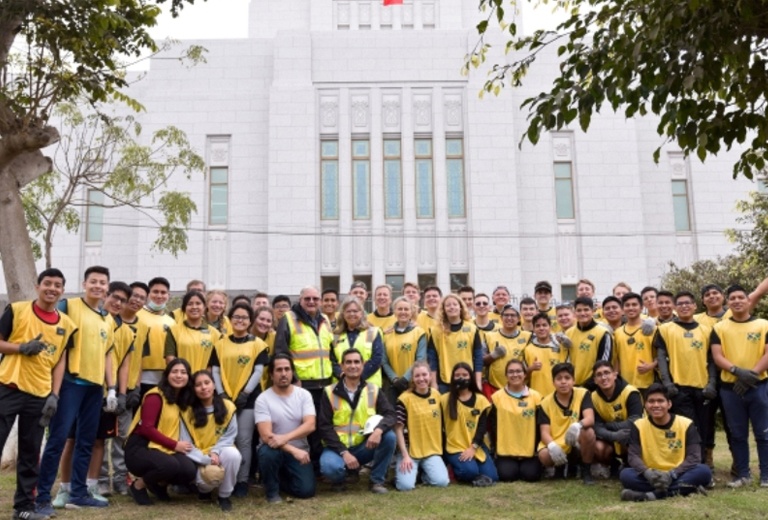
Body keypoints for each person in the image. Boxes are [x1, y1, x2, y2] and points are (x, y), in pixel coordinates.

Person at [36, 266, 116, 514]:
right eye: (93, 281)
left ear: (107, 288)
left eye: (103, 283)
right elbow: (53, 338)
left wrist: (111, 388)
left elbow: (108, 354)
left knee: (86, 442)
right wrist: (53, 389)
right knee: (58, 440)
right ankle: (41, 498)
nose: (98, 286)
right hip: (71, 383)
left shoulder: (108, 318)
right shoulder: (68, 307)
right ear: (84, 284)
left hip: (95, 388)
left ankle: (79, 493)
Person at [0, 268, 77, 520]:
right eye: (47, 283)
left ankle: (24, 507)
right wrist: (21, 348)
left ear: (62, 290)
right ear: (37, 286)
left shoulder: (67, 325)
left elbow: (60, 362)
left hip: (40, 395)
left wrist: (54, 395)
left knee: (31, 452)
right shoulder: (17, 310)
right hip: (8, 387)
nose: (52, 288)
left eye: (57, 285)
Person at [56, 282, 133, 506]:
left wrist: (119, 392)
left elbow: (122, 364)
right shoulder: (82, 315)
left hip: (104, 392)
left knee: (98, 440)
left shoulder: (125, 330)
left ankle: (91, 486)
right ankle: (65, 488)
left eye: (122, 300)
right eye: (114, 297)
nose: (117, 303)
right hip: (78, 386)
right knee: (71, 439)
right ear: (104, 296)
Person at [710, 284, 768, 488]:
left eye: (740, 297)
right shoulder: (719, 328)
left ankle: (766, 475)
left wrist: (751, 375)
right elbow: (717, 356)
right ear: (727, 303)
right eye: (732, 298)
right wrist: (737, 372)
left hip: (759, 386)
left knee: (764, 432)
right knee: (737, 433)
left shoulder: (763, 324)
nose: (736, 301)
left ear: (747, 300)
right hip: (731, 389)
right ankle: (743, 474)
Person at [318, 348, 397, 494]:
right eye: (348, 362)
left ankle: (376, 481)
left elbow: (391, 414)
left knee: (389, 437)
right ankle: (342, 477)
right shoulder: (329, 392)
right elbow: (324, 427)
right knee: (330, 468)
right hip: (337, 449)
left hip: (363, 447)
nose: (352, 366)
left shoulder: (374, 390)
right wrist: (344, 452)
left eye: (356, 362)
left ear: (363, 365)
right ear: (342, 366)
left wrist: (378, 431)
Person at [211, 303, 269, 497]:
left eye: (244, 317)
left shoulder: (258, 344)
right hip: (224, 398)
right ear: (230, 319)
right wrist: (221, 394)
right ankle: (224, 478)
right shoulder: (220, 344)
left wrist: (245, 393)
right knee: (225, 440)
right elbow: (216, 371)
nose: (240, 320)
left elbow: (258, 371)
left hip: (249, 399)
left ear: (250, 321)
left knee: (244, 440)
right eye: (236, 316)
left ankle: (242, 481)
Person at [99, 281, 150, 496]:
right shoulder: (101, 322)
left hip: (125, 391)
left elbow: (134, 363)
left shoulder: (135, 331)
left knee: (122, 439)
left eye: (141, 297)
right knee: (100, 438)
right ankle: (100, 480)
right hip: (98, 390)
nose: (137, 300)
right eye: (133, 296)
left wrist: (130, 391)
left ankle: (120, 479)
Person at [619, 383, 711, 501]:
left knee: (704, 471)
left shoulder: (686, 424)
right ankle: (688, 488)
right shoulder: (638, 425)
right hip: (651, 474)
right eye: (651, 401)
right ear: (645, 405)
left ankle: (651, 495)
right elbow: (633, 456)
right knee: (626, 475)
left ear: (669, 404)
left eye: (660, 401)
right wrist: (648, 474)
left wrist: (671, 475)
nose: (656, 405)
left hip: (678, 472)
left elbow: (694, 457)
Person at [655, 291, 717, 465]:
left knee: (704, 429)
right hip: (678, 389)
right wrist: (667, 384)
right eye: (680, 303)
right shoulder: (665, 329)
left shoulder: (706, 330)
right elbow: (661, 358)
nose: (684, 306)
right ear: (675, 307)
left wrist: (712, 384)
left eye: (687, 303)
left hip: (703, 389)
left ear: (695, 306)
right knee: (688, 429)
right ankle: (691, 464)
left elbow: (712, 359)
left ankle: (703, 466)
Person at [274, 286, 334, 464]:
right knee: (303, 428)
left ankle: (317, 465)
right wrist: (293, 379)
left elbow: (330, 351)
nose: (311, 302)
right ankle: (303, 465)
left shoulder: (325, 321)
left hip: (324, 384)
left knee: (321, 427)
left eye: (315, 298)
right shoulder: (289, 319)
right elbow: (280, 352)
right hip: (302, 384)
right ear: (300, 300)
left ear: (320, 301)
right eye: (307, 298)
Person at [124, 358, 196, 506]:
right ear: (166, 374)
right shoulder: (155, 396)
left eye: (183, 372)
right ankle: (138, 486)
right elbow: (147, 428)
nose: (178, 376)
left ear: (188, 377)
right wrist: (175, 444)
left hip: (162, 448)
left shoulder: (182, 399)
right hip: (139, 447)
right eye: (174, 372)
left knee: (189, 470)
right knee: (170, 465)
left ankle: (158, 485)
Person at [255, 354, 317, 503]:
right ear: (271, 374)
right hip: (274, 449)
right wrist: (292, 449)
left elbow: (310, 425)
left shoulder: (304, 395)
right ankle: (272, 492)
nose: (284, 374)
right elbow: (266, 435)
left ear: (292, 372)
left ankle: (276, 478)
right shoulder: (263, 399)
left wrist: (285, 438)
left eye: (287, 369)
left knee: (306, 491)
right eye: (279, 370)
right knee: (268, 452)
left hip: (300, 452)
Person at [182, 370, 240, 512]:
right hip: (197, 456)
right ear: (193, 390)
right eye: (198, 385)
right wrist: (206, 459)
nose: (204, 387)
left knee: (234, 455)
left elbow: (229, 436)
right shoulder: (187, 412)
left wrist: (215, 452)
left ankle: (224, 496)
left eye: (207, 383)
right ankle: (204, 491)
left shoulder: (228, 406)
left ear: (214, 385)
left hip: (220, 451)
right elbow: (186, 443)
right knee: (209, 478)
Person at [394, 361, 450, 491]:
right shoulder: (404, 399)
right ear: (412, 379)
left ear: (430, 376)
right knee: (405, 486)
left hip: (431, 450)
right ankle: (407, 474)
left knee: (442, 482)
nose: (421, 379)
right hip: (410, 452)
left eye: (424, 375)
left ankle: (423, 475)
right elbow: (398, 429)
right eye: (417, 376)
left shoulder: (437, 395)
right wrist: (405, 455)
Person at [537, 362, 596, 485]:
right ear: (553, 382)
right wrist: (552, 446)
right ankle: (560, 468)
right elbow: (544, 432)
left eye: (567, 378)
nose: (563, 382)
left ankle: (586, 470)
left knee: (589, 432)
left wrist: (577, 425)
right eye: (559, 378)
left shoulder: (583, 393)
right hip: (557, 442)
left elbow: (590, 418)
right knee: (544, 455)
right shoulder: (545, 402)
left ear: (573, 381)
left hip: (575, 440)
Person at [441, 362, 498, 486]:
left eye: (465, 375)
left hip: (475, 444)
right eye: (457, 375)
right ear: (452, 378)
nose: (461, 378)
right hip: (454, 446)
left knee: (493, 477)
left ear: (471, 377)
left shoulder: (481, 400)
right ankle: (454, 468)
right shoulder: (444, 399)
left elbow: (482, 428)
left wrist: (473, 447)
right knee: (470, 472)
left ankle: (474, 468)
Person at [490, 359, 543, 482]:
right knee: (507, 476)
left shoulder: (536, 397)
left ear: (525, 374)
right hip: (506, 452)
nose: (515, 375)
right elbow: (493, 427)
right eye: (511, 372)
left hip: (530, 452)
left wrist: (537, 449)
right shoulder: (497, 398)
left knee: (531, 476)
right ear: (506, 375)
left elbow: (540, 426)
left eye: (519, 371)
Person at [590, 361, 643, 476]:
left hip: (634, 436)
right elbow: (597, 426)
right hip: (611, 438)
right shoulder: (593, 397)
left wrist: (609, 426)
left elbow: (635, 421)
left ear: (615, 375)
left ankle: (630, 463)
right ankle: (612, 464)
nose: (603, 377)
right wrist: (613, 435)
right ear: (595, 380)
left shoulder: (630, 392)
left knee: (629, 434)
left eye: (607, 373)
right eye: (599, 375)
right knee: (597, 446)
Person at [428, 294, 484, 393]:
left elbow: (478, 358)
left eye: (455, 304)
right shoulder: (436, 331)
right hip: (444, 382)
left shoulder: (472, 329)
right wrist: (433, 382)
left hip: (467, 380)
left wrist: (478, 381)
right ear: (443, 309)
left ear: (460, 307)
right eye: (448, 305)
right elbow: (432, 359)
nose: (452, 307)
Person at [330, 297, 384, 387]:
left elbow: (377, 359)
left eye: (355, 311)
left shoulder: (373, 332)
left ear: (362, 313)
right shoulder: (335, 335)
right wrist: (343, 377)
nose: (352, 314)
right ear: (343, 314)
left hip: (369, 386)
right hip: (341, 386)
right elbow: (332, 361)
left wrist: (356, 379)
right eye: (348, 311)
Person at [164, 291, 223, 373]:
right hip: (182, 380)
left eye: (198, 303)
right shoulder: (174, 331)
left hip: (204, 383)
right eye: (190, 304)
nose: (194, 307)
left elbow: (215, 362)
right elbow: (170, 359)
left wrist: (202, 378)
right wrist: (183, 376)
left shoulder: (215, 334)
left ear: (204, 307)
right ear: (184, 308)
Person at [382, 297, 427, 403]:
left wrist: (405, 379)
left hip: (413, 384)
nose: (403, 312)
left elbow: (420, 359)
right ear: (394, 312)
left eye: (406, 309)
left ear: (411, 312)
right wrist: (395, 379)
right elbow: (384, 361)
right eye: (400, 309)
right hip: (392, 386)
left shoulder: (419, 332)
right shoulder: (386, 335)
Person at [137, 277, 176, 394]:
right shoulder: (137, 315)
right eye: (155, 292)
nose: (159, 296)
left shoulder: (172, 322)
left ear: (168, 295)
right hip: (140, 377)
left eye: (163, 292)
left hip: (165, 377)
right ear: (148, 294)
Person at [565, 297, 613, 388]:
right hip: (572, 386)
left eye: (586, 310)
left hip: (594, 386)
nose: (583, 313)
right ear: (574, 312)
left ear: (593, 311)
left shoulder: (603, 333)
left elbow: (604, 363)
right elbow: (566, 360)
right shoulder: (568, 333)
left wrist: (589, 385)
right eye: (579, 310)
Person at [613, 292, 657, 394]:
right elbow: (617, 359)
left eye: (634, 305)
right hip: (625, 385)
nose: (631, 308)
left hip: (648, 384)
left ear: (641, 308)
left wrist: (651, 365)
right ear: (623, 309)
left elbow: (662, 355)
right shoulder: (618, 333)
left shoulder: (652, 329)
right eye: (627, 305)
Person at [483, 304, 531, 392]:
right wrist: (493, 355)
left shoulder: (528, 337)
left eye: (513, 315)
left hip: (520, 388)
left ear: (519, 318)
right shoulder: (489, 336)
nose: (509, 318)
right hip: (495, 387)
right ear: (501, 318)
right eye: (506, 315)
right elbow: (481, 361)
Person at [523, 312, 571, 396]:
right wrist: (531, 369)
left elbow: (569, 373)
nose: (541, 328)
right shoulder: (528, 349)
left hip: (560, 396)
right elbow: (523, 377)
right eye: (537, 326)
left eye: (544, 325)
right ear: (533, 329)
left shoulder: (561, 347)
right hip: (538, 396)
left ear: (550, 327)